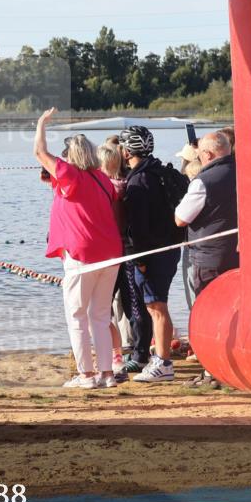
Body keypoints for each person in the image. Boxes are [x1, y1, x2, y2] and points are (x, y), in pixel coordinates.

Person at [36, 108, 122, 389]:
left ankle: (86, 375)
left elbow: (40, 152)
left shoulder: (70, 175)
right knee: (100, 316)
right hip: (111, 255)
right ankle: (107, 374)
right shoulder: (102, 179)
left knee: (76, 316)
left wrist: (41, 124)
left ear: (70, 157)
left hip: (82, 256)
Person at [120, 125, 187, 383]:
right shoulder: (161, 171)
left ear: (127, 152)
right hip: (170, 248)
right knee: (158, 306)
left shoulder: (138, 181)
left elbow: (138, 227)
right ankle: (161, 358)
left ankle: (163, 362)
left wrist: (140, 260)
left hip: (152, 253)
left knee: (156, 307)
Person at [174, 131, 239, 387]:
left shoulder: (204, 181)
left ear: (209, 154)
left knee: (207, 316)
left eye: (200, 152)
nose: (198, 156)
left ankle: (212, 372)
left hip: (208, 257)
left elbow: (180, 217)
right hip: (237, 255)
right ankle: (230, 369)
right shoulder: (243, 171)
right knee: (232, 313)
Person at [98, 140, 135, 376]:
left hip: (109, 251)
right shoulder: (126, 185)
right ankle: (128, 350)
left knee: (103, 308)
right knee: (128, 302)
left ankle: (113, 354)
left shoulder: (104, 189)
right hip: (127, 249)